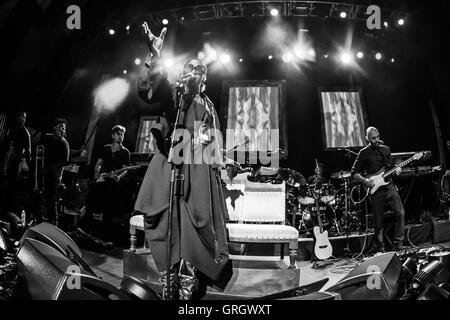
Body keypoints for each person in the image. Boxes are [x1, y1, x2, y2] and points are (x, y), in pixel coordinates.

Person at [134, 23, 231, 300]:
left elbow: (214, 140)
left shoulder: (209, 104)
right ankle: (168, 288)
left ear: (206, 77)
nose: (196, 72)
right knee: (166, 230)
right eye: (191, 67)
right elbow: (150, 90)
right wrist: (154, 55)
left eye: (201, 69)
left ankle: (188, 294)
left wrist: (222, 163)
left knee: (194, 236)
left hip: (199, 177)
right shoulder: (177, 95)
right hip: (171, 171)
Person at [351, 127, 405, 252]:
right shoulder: (363, 152)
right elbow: (354, 172)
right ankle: (380, 248)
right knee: (378, 222)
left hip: (389, 185)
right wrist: (365, 181)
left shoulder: (386, 149)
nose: (376, 140)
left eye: (378, 137)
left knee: (400, 213)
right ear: (367, 139)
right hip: (375, 189)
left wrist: (397, 170)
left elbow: (391, 167)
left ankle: (399, 244)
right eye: (373, 138)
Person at [81, 125, 131, 242]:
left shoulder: (125, 152)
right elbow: (98, 163)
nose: (121, 136)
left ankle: (104, 236)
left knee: (108, 207)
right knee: (90, 199)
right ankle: (86, 229)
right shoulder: (106, 148)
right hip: (103, 180)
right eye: (118, 134)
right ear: (113, 135)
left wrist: (118, 177)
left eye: (122, 134)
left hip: (114, 183)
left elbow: (125, 170)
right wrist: (96, 173)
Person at [0, 112, 31, 218]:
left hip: (15, 163)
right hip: (6, 161)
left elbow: (28, 151)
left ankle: (9, 209)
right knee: (4, 184)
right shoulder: (12, 130)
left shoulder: (25, 133)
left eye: (23, 117)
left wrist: (21, 157)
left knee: (12, 186)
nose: (21, 118)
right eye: (20, 116)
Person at [41, 118, 70, 225]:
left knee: (52, 198)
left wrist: (50, 169)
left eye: (64, 128)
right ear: (55, 128)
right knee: (44, 195)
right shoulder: (49, 139)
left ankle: (53, 221)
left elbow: (65, 160)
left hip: (55, 174)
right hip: (46, 171)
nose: (62, 130)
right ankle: (44, 218)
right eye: (60, 127)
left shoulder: (64, 143)